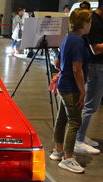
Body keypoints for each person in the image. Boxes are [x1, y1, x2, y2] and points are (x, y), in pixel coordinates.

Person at [50, 8, 92, 173]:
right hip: (71, 88)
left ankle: (58, 150)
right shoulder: (78, 41)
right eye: (89, 22)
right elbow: (77, 69)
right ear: (84, 23)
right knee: (75, 121)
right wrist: (82, 90)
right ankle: (68, 158)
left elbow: (57, 63)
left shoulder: (67, 38)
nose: (90, 26)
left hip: (63, 85)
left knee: (62, 119)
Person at [75, 0, 103, 154]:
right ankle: (78, 139)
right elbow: (96, 48)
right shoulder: (95, 22)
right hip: (96, 68)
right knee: (90, 105)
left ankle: (81, 136)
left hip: (97, 67)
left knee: (92, 105)